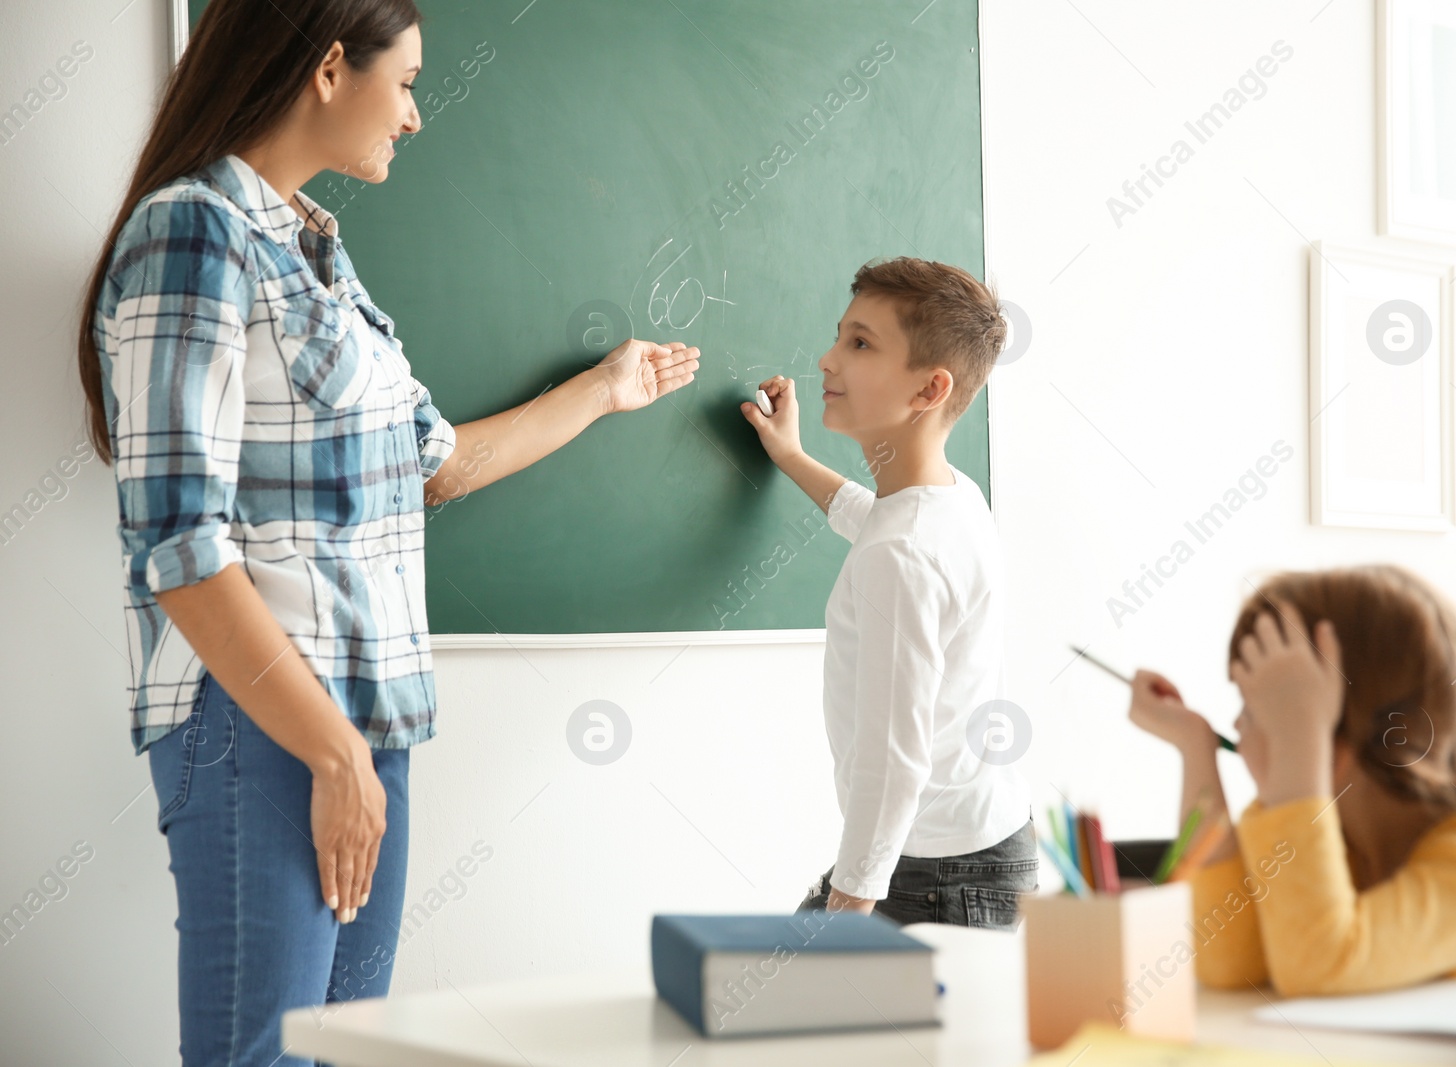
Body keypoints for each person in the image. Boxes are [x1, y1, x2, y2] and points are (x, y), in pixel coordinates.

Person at [74, 2, 697, 1062]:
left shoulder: (315, 245)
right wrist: (329, 754)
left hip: (371, 725)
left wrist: (602, 389)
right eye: (404, 82)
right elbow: (178, 547)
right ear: (328, 68)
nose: (413, 116)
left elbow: (438, 465)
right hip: (265, 729)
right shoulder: (193, 233)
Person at [742, 256, 1036, 928]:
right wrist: (791, 457)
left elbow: (891, 757)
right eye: (842, 335)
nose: (827, 358)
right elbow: (875, 519)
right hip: (974, 845)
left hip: (934, 874)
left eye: (861, 343)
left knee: (789, 1010)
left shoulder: (901, 554)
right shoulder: (949, 498)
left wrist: (847, 912)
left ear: (930, 389)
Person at [1127, 564, 1456, 995]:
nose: (1238, 726)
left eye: (1259, 708)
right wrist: (1194, 746)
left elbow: (1319, 965)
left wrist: (1299, 746)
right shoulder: (1332, 832)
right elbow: (1228, 961)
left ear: (1330, 738)